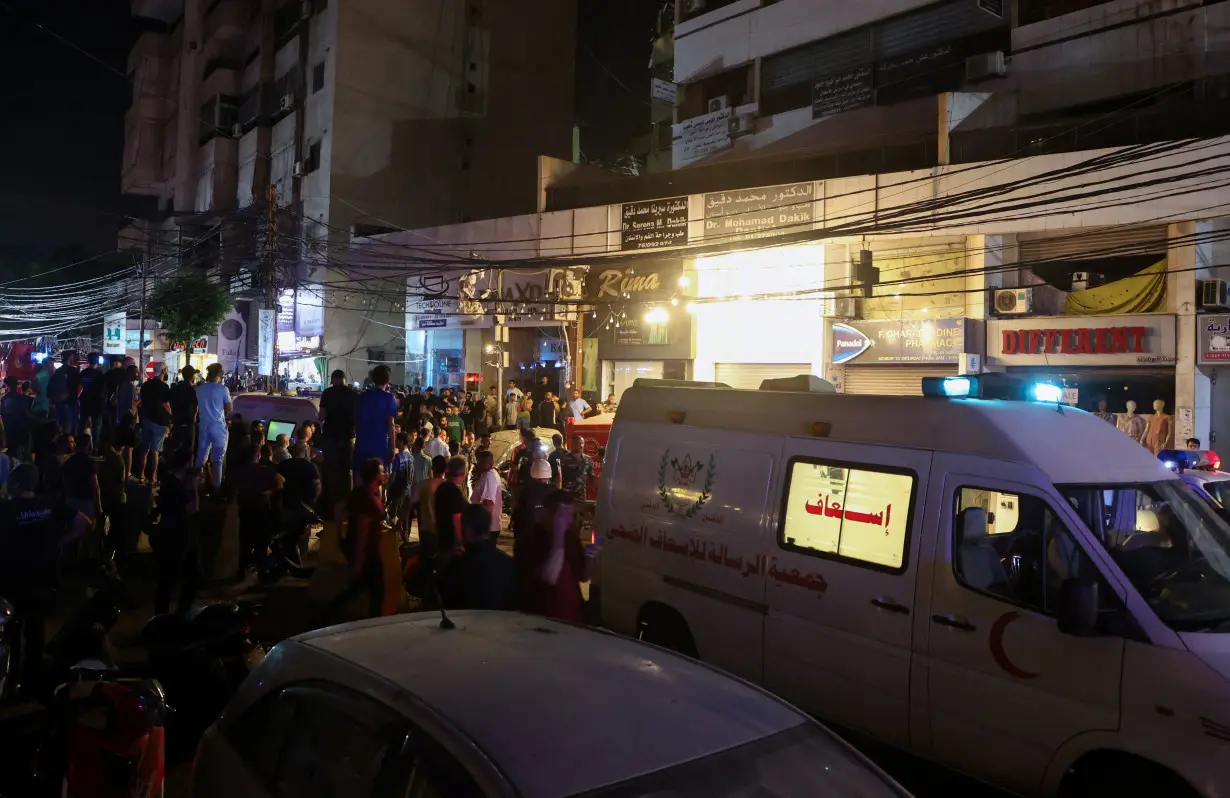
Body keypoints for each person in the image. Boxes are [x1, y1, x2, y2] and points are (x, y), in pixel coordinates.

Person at [0, 464, 88, 692]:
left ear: (17, 484)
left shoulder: (6, 510)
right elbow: (83, 522)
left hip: (13, 582)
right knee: (36, 630)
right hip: (44, 579)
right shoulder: (50, 505)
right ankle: (33, 678)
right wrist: (59, 543)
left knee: (12, 633)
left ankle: (11, 680)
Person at [332, 458, 388, 618]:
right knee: (375, 592)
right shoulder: (367, 498)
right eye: (382, 471)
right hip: (366, 552)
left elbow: (339, 508)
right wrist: (358, 561)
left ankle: (327, 614)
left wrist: (339, 535)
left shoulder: (362, 492)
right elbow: (363, 531)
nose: (385, 474)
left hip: (359, 549)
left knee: (358, 590)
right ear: (375, 474)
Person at [153, 448, 202, 615]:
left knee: (168, 578)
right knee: (181, 577)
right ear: (187, 463)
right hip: (179, 535)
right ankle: (175, 615)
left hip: (170, 532)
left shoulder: (168, 479)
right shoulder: (178, 486)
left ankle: (163, 614)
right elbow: (193, 508)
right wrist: (194, 488)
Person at [524, 490, 586, 623]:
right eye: (566, 514)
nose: (571, 520)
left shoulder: (570, 537)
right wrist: (558, 538)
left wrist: (592, 558)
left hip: (571, 616)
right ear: (550, 513)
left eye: (572, 515)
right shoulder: (535, 536)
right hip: (543, 616)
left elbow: (583, 575)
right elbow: (547, 576)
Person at [235, 444, 283, 581]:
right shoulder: (263, 470)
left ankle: (241, 572)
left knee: (244, 542)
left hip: (245, 511)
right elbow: (281, 481)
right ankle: (262, 573)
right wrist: (269, 492)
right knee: (261, 544)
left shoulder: (240, 471)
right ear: (258, 455)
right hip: (261, 511)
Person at [318, 369, 358, 508]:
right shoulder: (354, 394)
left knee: (330, 469)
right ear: (345, 379)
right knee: (347, 470)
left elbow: (321, 416)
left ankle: (330, 501)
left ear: (333, 379)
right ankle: (347, 500)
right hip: (348, 437)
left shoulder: (327, 393)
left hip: (330, 436)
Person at [353, 365, 398, 479]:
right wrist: (392, 447)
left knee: (360, 476)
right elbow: (390, 424)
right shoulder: (389, 398)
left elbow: (356, 420)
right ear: (388, 381)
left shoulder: (363, 396)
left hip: (361, 442)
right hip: (379, 444)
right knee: (378, 477)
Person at [194, 363, 232, 492]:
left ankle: (196, 485)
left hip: (204, 425)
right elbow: (229, 408)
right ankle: (216, 487)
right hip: (218, 427)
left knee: (201, 457)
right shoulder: (223, 389)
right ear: (220, 374)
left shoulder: (199, 389)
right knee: (218, 459)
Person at [134, 363, 172, 483]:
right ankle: (153, 477)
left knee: (144, 449)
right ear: (163, 372)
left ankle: (141, 475)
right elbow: (166, 404)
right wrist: (171, 416)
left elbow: (142, 401)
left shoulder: (145, 385)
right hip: (159, 421)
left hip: (146, 419)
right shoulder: (164, 387)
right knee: (155, 451)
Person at [433, 456, 469, 561]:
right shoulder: (455, 492)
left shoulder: (441, 488)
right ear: (463, 473)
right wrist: (459, 543)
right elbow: (456, 519)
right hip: (451, 542)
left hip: (441, 536)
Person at [98, 439, 128, 556]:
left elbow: (108, 480)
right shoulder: (114, 459)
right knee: (113, 530)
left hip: (114, 499)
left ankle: (111, 555)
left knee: (112, 530)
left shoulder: (115, 460)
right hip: (115, 498)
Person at [469, 449, 503, 540]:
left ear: (486, 462)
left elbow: (489, 503)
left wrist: (484, 526)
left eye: (479, 461)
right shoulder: (487, 474)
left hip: (488, 527)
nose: (477, 464)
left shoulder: (489, 476)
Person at [168, 365, 199, 454]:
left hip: (176, 421)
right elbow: (195, 405)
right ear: (192, 376)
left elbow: (166, 401)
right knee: (189, 449)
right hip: (188, 422)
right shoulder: (192, 389)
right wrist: (194, 417)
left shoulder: (175, 388)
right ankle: (187, 466)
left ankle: (175, 466)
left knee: (176, 448)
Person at [2, 375, 32, 462]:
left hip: (10, 429)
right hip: (20, 428)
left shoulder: (5, 399)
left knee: (13, 451)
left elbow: (3, 415)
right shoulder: (21, 398)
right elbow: (26, 413)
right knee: (22, 450)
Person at [558, 435, 596, 499]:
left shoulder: (587, 459)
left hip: (581, 495)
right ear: (573, 444)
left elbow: (592, 476)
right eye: (579, 443)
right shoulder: (564, 459)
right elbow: (558, 477)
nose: (581, 445)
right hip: (567, 495)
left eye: (582, 443)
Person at [77, 356, 105, 441]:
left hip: (84, 402)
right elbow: (103, 391)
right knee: (96, 427)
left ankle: (80, 445)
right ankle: (95, 448)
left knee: (82, 425)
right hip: (96, 403)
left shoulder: (83, 373)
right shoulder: (100, 374)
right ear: (97, 361)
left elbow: (79, 387)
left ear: (88, 361)